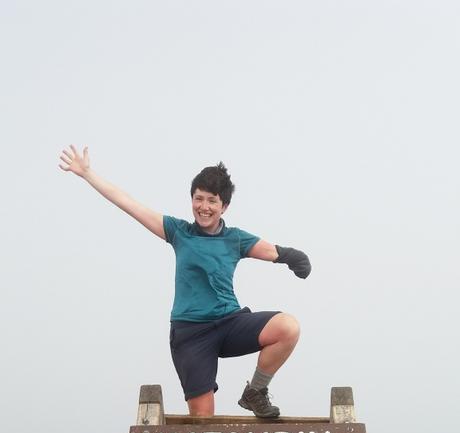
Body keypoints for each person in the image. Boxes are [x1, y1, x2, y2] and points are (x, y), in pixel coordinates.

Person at [59, 146, 311, 417]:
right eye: (198, 198)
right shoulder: (178, 232)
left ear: (223, 206)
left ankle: (255, 393)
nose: (204, 207)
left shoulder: (235, 239)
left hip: (229, 323)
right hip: (191, 334)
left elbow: (275, 251)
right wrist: (87, 174)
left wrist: (294, 258)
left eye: (212, 200)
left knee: (288, 327)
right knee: (202, 420)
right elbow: (130, 204)